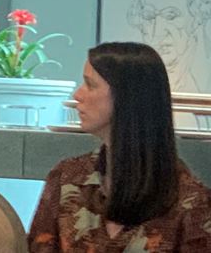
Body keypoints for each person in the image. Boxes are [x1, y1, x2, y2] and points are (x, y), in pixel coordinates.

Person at [28, 41, 211, 252]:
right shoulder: (67, 178)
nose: (78, 95)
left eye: (90, 84)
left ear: (127, 97)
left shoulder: (191, 201)